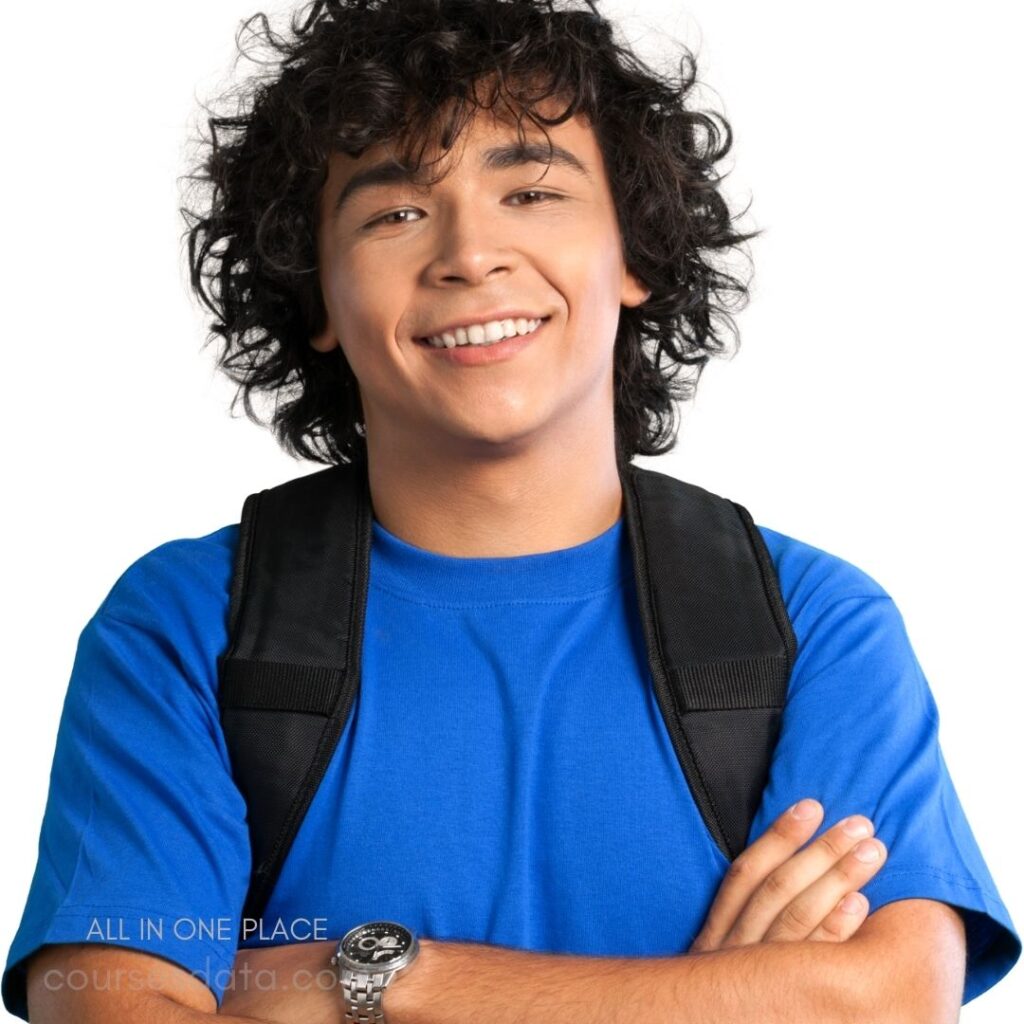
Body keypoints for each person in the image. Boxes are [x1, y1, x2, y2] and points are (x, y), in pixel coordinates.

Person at [3, 0, 1019, 1021]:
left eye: (531, 191)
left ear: (634, 253)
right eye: (393, 211)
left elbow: (882, 1000)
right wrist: (718, 997)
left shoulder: (812, 623)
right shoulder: (187, 626)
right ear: (316, 296)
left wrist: (370, 978)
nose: (469, 254)